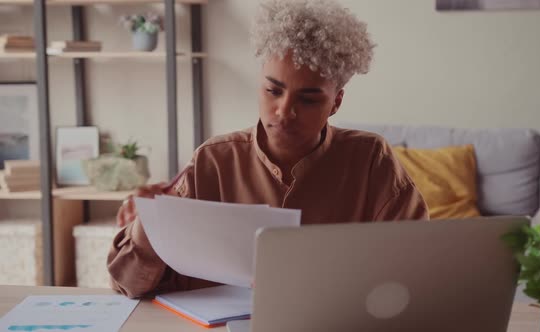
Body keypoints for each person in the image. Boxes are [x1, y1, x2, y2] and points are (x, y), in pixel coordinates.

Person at [108, 0, 429, 299]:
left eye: (308, 99)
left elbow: (416, 270)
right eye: (273, 90)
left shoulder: (371, 160)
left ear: (336, 102)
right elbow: (127, 286)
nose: (283, 111)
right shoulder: (213, 160)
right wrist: (149, 223)